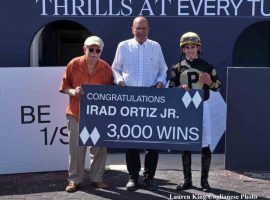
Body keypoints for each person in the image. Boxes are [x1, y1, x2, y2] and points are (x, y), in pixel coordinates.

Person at [111, 16, 167, 191]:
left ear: (148, 29)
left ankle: (149, 178)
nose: (141, 31)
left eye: (144, 28)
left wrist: (160, 81)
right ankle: (133, 177)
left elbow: (163, 69)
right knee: (132, 141)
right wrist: (119, 80)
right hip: (130, 98)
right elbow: (115, 68)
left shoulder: (155, 46)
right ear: (132, 29)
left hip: (151, 98)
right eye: (138, 28)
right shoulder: (123, 46)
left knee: (152, 143)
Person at [59, 36, 113, 192]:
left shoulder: (105, 67)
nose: (94, 52)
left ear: (101, 51)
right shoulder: (73, 64)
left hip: (97, 115)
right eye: (91, 49)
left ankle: (97, 178)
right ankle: (74, 179)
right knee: (76, 149)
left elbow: (110, 92)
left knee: (99, 147)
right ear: (84, 49)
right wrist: (73, 92)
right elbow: (64, 86)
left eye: (98, 50)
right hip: (76, 113)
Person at [169, 32, 221, 192]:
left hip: (202, 106)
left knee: (205, 143)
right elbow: (170, 90)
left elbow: (217, 87)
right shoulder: (176, 68)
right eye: (187, 47)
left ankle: (204, 181)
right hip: (185, 107)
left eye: (193, 47)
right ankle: (187, 179)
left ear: (199, 48)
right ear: (183, 49)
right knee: (186, 142)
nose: (190, 50)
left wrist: (209, 82)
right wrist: (178, 89)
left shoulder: (207, 66)